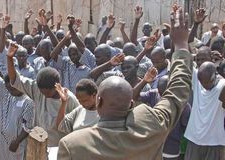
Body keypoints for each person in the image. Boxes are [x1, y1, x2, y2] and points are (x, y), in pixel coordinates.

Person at [57, 6, 193, 159]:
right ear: (131, 104)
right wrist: (181, 44)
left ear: (98, 101)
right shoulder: (153, 124)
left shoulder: (73, 145)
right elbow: (177, 91)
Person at [7, 42, 80, 147]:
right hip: (40, 147)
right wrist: (9, 58)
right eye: (42, 92)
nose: (43, 95)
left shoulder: (70, 99)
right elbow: (15, 79)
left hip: (60, 150)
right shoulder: (37, 89)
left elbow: (77, 127)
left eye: (47, 93)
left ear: (56, 87)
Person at [0, 46, 34, 160]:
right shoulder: (6, 93)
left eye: (13, 88)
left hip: (16, 144)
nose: (11, 90)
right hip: (1, 139)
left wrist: (16, 142)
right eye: (8, 88)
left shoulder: (28, 101)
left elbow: (27, 127)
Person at [134, 72, 191, 160]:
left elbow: (186, 128)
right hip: (152, 148)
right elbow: (134, 96)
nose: (162, 98)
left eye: (165, 95)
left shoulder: (183, 105)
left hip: (170, 151)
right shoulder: (154, 94)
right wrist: (144, 81)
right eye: (160, 94)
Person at [184, 62, 225, 160]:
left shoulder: (223, 85)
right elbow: (182, 53)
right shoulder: (198, 79)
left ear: (216, 74)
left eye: (208, 82)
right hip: (194, 139)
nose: (204, 85)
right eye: (202, 82)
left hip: (214, 142)